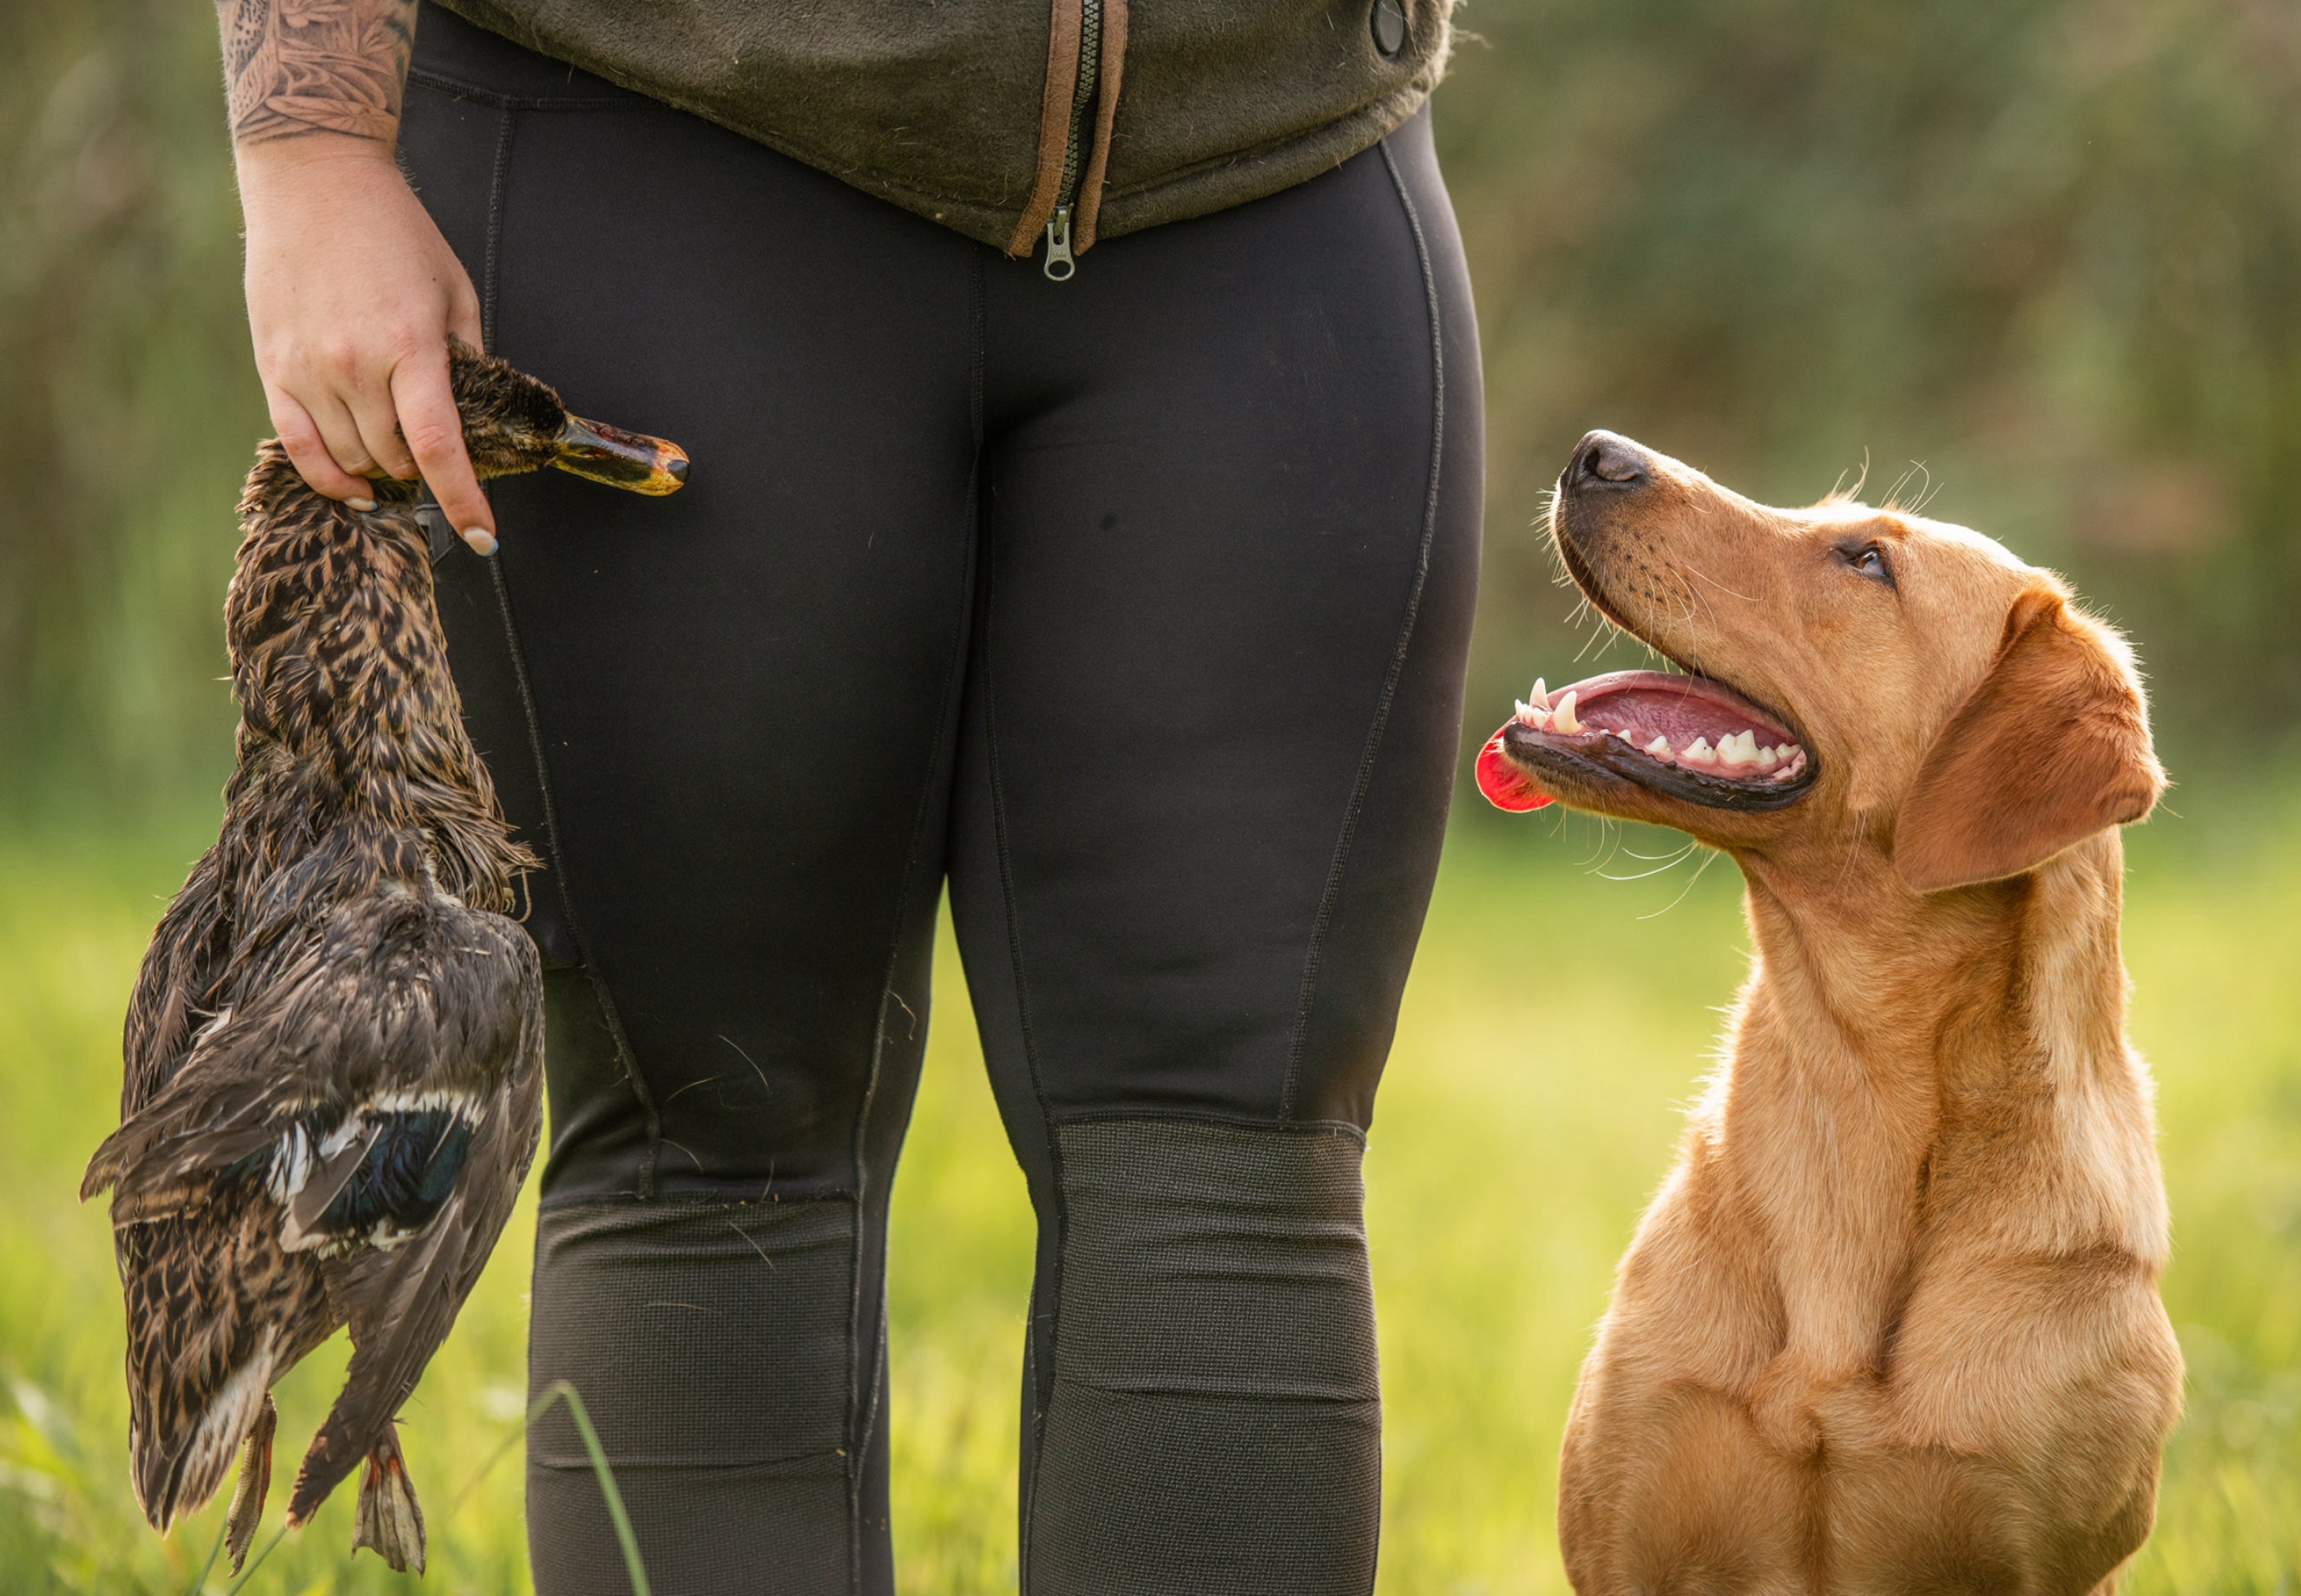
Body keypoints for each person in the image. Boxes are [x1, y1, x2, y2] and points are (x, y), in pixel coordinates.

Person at [213, 0, 1480, 1589]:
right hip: (648, 157)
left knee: (1226, 1168)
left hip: (1274, 180)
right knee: (708, 1144)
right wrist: (310, 150)